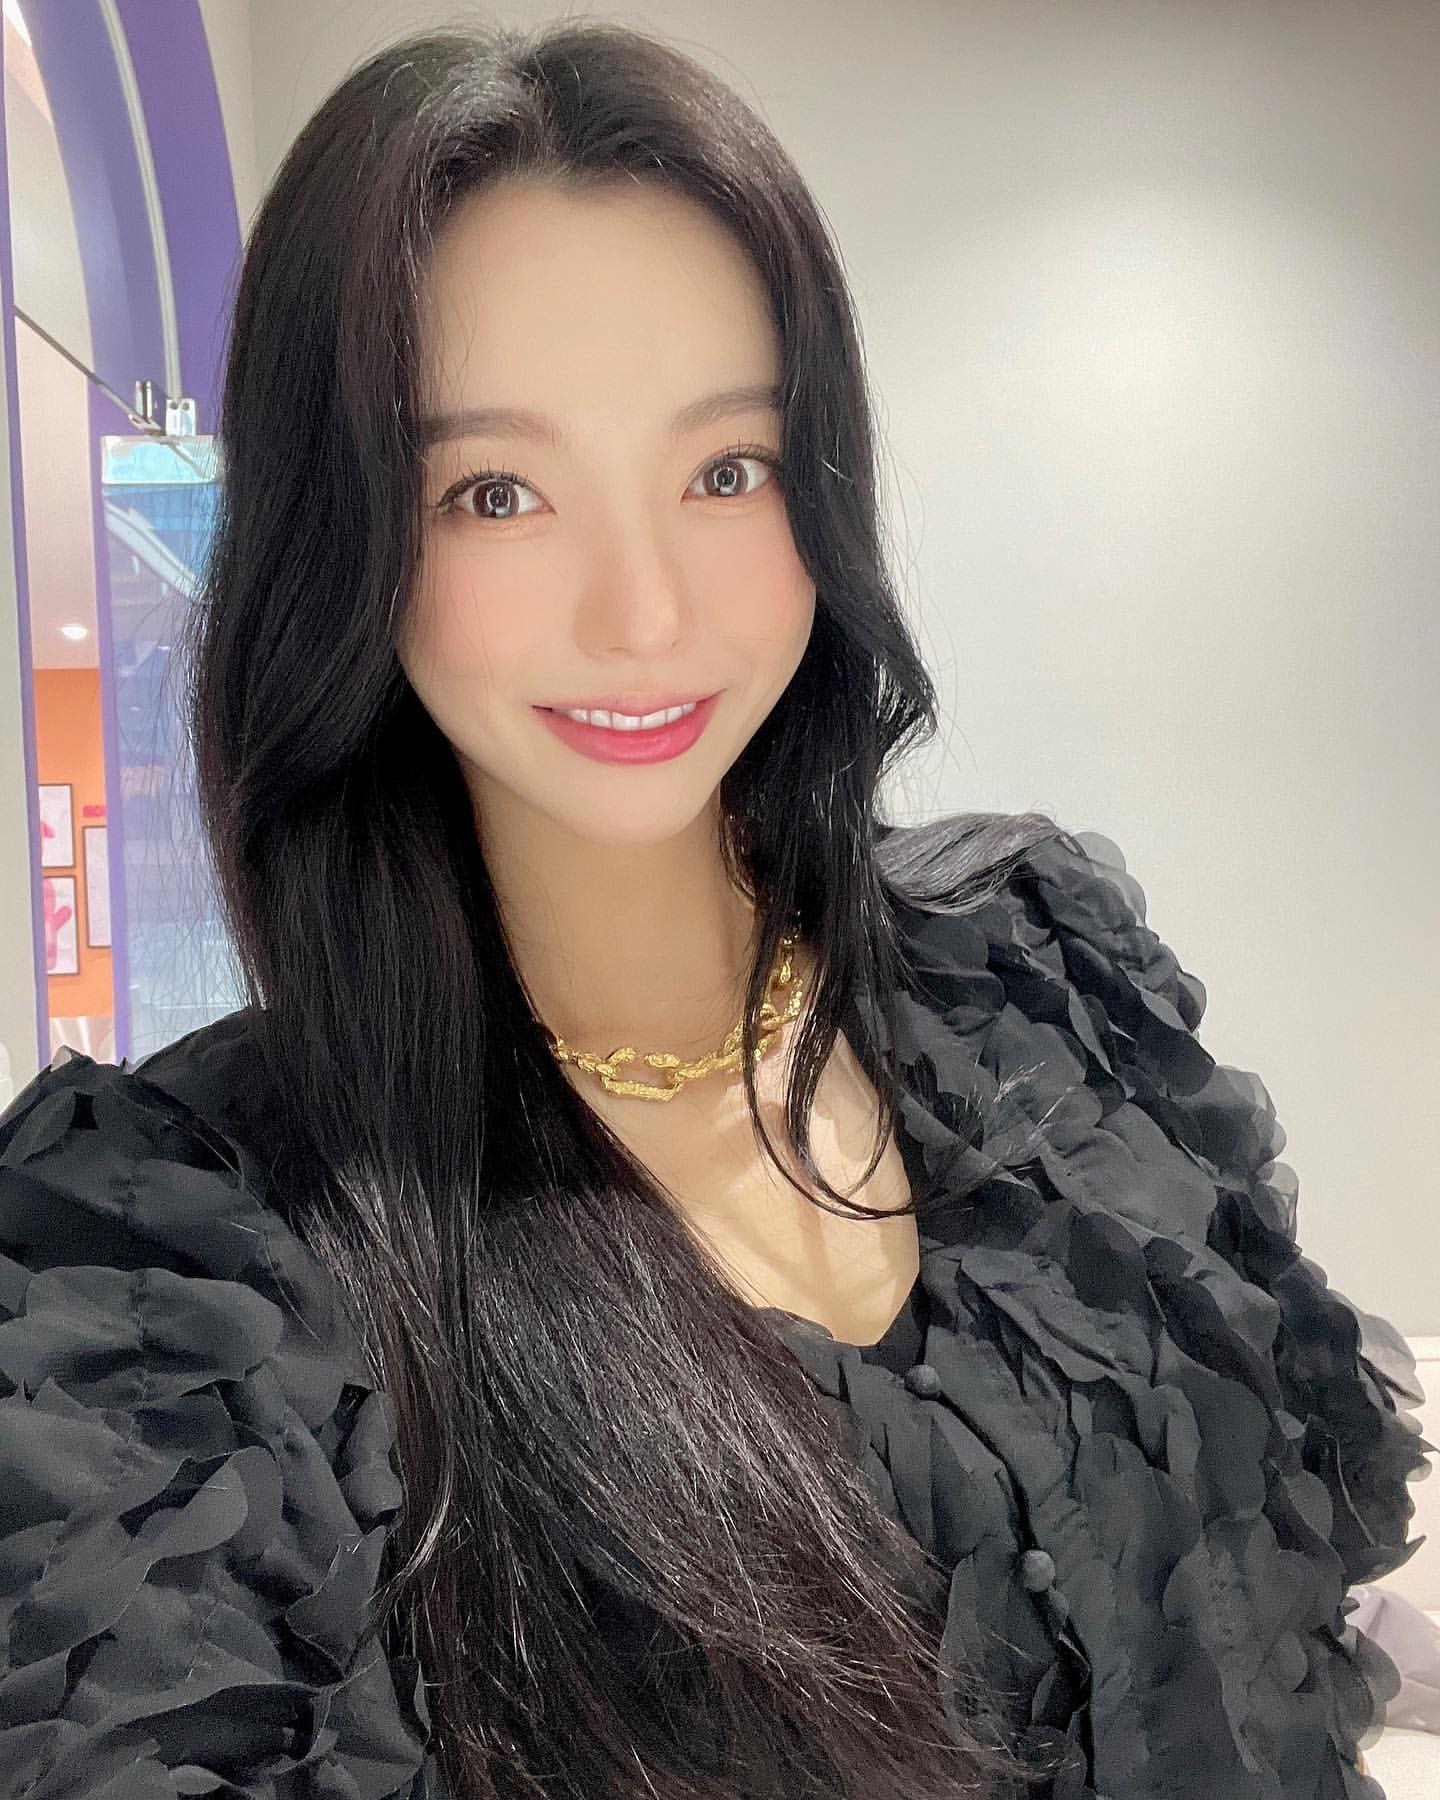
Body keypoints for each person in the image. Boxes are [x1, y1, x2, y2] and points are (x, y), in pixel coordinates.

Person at [0, 21, 1428, 1800]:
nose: (646, 612)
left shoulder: (1050, 985)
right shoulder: (174, 1278)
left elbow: (1265, 1625)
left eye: (726, 468)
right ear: (342, 539)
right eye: (496, 492)